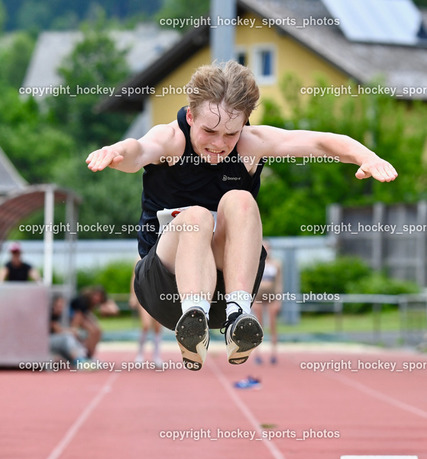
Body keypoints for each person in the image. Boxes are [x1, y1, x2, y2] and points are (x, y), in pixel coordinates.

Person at [86, 61, 397, 371]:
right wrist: (115, 152)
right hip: (164, 286)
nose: (219, 144)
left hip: (225, 290)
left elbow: (319, 141)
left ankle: (239, 315)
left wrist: (367, 157)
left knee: (241, 200)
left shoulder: (251, 145)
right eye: (209, 131)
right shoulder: (171, 140)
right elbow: (137, 150)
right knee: (196, 217)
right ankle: (192, 318)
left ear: (245, 123)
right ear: (190, 116)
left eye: (230, 134)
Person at [253, 242, 282, 364]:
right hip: (258, 296)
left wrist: (278, 300)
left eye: (268, 248)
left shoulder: (276, 264)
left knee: (272, 325)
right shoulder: (255, 264)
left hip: (271, 297)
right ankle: (257, 353)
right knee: (258, 325)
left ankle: (273, 353)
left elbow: (279, 283)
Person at [129, 260, 163, 368]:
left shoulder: (161, 254)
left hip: (158, 295)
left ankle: (156, 356)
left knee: (158, 326)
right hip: (143, 295)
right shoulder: (139, 258)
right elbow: (134, 277)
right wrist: (133, 295)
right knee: (146, 325)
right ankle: (140, 354)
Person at [70, 285, 119, 358]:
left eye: (99, 296)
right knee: (92, 331)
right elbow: (78, 315)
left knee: (98, 330)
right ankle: (88, 354)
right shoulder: (84, 300)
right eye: (95, 296)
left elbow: (115, 310)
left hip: (83, 314)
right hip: (75, 314)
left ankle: (91, 354)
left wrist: (106, 308)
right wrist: (75, 328)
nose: (97, 298)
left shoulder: (98, 302)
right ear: (92, 294)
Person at [49, 294, 88, 364]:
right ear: (53, 305)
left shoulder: (60, 315)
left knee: (73, 337)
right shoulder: (49, 314)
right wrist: (73, 331)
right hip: (45, 342)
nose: (60, 307)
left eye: (62, 305)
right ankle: (79, 361)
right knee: (67, 338)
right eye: (58, 305)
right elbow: (57, 330)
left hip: (54, 340)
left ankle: (82, 358)